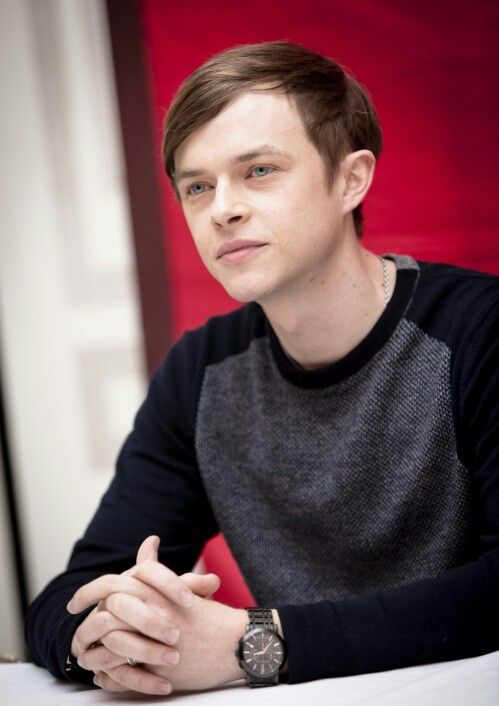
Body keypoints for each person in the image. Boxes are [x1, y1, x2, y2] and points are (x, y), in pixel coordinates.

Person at [25, 40, 499, 696]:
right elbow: (69, 595)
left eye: (259, 171)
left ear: (350, 179)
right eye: (197, 186)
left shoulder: (479, 332)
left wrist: (257, 643)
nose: (223, 208)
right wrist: (106, 634)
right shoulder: (199, 372)